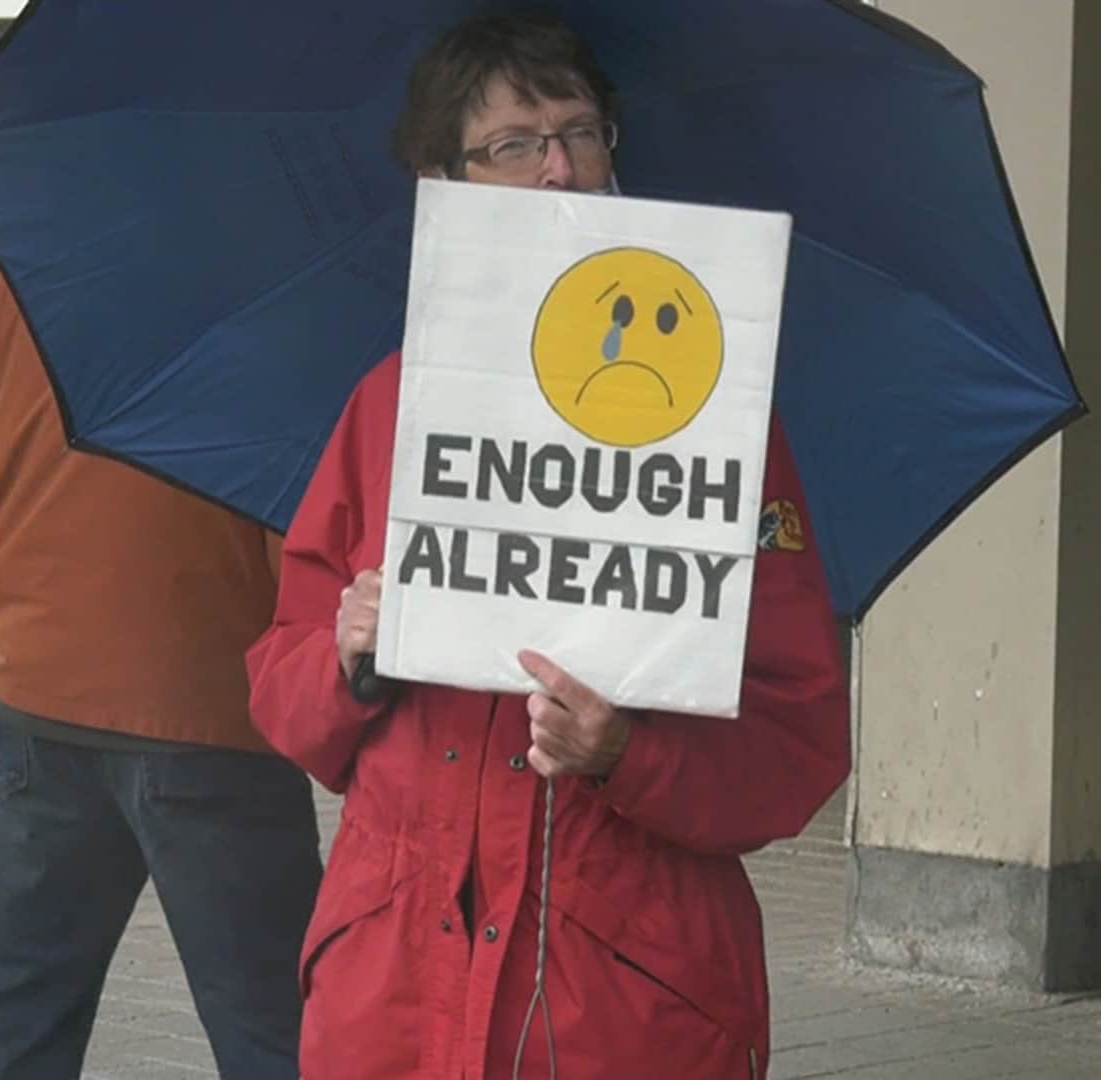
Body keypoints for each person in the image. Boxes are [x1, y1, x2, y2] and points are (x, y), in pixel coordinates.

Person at [244, 13, 851, 1079]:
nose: (562, 170)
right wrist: (349, 661)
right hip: (393, 1000)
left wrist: (630, 755)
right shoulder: (387, 409)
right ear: (446, 180)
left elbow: (796, 746)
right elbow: (281, 693)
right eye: (514, 144)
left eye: (583, 133)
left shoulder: (719, 427)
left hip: (620, 1007)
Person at [0, 240, 323, 1079]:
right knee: (278, 1032)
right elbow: (300, 519)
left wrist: (0, 624)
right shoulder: (276, 274)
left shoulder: (7, 260)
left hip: (39, 696)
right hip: (214, 709)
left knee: (12, 1031)